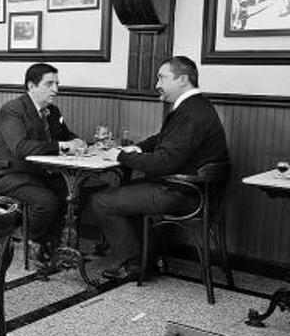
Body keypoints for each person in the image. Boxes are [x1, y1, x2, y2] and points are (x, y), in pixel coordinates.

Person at [93, 56, 229, 280]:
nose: (157, 84)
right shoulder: (197, 106)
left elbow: (164, 162)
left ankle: (134, 263)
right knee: (126, 191)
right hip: (192, 189)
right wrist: (137, 148)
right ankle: (146, 258)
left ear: (183, 79)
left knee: (102, 201)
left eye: (162, 78)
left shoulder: (190, 113)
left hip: (183, 193)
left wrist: (121, 156)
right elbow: (163, 138)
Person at [0, 63, 86, 261]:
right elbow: (21, 147)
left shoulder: (53, 112)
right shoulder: (13, 110)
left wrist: (78, 141)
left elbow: (67, 136)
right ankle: (35, 242)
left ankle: (55, 243)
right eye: (49, 84)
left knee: (73, 194)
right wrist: (63, 147)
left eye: (57, 84)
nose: (56, 89)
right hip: (8, 174)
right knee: (45, 201)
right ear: (31, 86)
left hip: (38, 173)